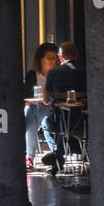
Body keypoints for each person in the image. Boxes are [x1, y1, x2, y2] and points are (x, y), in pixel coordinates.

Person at [42, 42, 87, 175]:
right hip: (85, 121)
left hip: (60, 121)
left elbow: (45, 99)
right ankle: (58, 154)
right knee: (62, 128)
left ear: (60, 57)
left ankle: (58, 156)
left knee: (45, 123)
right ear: (77, 56)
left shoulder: (53, 73)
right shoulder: (87, 71)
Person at [23, 42, 59, 170]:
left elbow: (57, 97)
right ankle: (55, 156)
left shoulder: (57, 74)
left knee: (33, 115)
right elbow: (26, 97)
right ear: (41, 59)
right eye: (50, 57)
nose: (53, 61)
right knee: (31, 111)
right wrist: (39, 99)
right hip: (35, 107)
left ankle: (29, 156)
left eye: (55, 57)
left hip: (52, 109)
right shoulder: (32, 75)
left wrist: (47, 99)